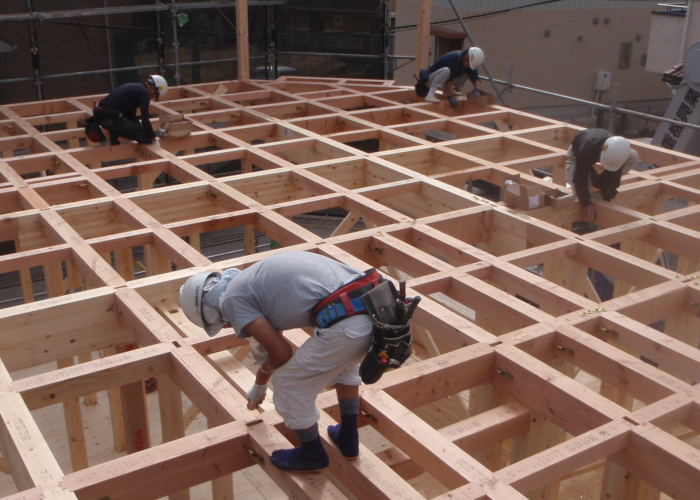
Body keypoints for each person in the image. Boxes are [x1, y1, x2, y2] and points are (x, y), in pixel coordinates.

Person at [179, 251, 413, 471]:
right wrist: (259, 385)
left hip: (349, 323)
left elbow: (280, 354)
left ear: (209, 312)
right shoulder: (250, 282)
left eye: (222, 324)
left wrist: (266, 379)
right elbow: (267, 348)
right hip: (377, 312)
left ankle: (312, 454)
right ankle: (348, 438)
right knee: (344, 364)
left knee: (288, 384)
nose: (229, 326)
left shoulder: (233, 300)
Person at [565, 128, 639, 221]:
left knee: (633, 156)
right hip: (577, 155)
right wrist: (587, 203)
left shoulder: (618, 150)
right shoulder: (586, 149)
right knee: (580, 191)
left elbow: (614, 175)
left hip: (599, 148)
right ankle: (594, 184)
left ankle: (599, 183)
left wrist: (606, 198)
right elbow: (579, 177)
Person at [93, 75, 168, 146]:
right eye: (155, 95)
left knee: (141, 129)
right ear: (153, 88)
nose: (152, 98)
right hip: (112, 119)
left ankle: (115, 133)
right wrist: (153, 139)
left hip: (103, 117)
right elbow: (145, 120)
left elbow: (131, 114)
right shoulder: (144, 94)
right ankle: (116, 132)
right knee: (146, 136)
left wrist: (139, 126)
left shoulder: (137, 88)